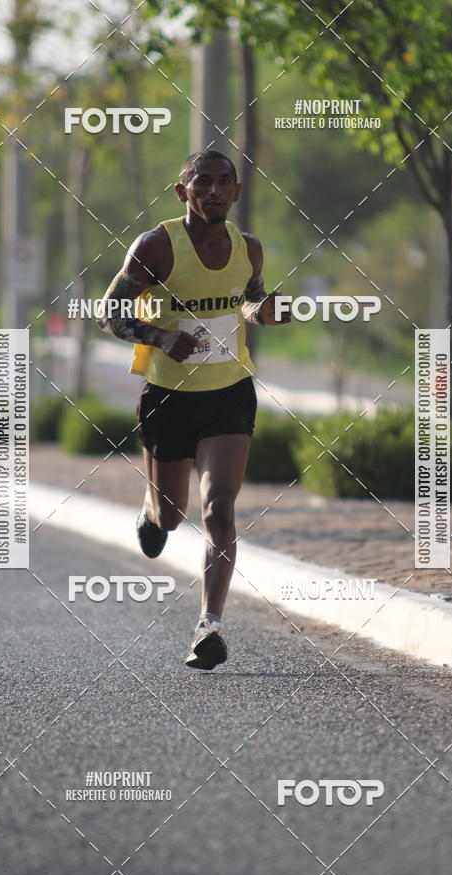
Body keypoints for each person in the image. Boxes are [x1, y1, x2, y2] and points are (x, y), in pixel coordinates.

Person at [97, 149, 290, 670]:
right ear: (182, 192)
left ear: (236, 192)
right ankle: (152, 507)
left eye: (224, 182)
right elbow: (108, 312)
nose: (213, 191)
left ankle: (211, 626)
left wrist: (263, 311)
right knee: (172, 515)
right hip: (168, 398)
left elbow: (248, 298)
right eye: (201, 183)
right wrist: (160, 336)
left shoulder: (248, 247)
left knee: (220, 509)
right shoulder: (156, 246)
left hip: (229, 391)